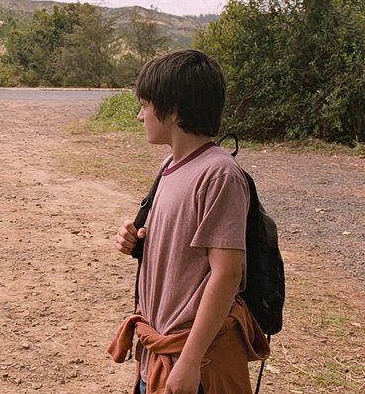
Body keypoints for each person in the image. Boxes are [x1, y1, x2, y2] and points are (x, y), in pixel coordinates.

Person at [108, 49, 269, 394]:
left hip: (196, 362)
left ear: (173, 111)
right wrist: (135, 239)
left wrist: (190, 361)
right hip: (160, 352)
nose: (139, 116)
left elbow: (227, 274)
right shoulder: (170, 165)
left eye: (145, 105)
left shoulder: (219, 174)